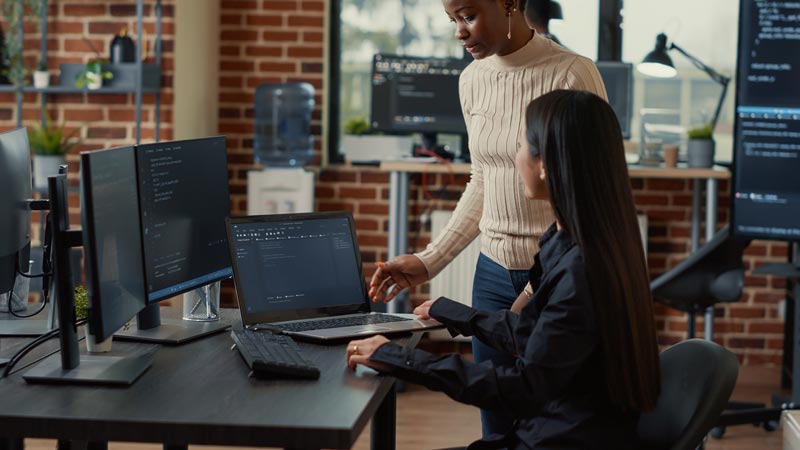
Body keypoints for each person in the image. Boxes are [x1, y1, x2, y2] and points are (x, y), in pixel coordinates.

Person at [349, 90, 661, 450]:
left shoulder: (580, 272)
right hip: (570, 430)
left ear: (546, 163)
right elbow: (532, 335)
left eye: (520, 146)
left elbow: (524, 386)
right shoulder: (583, 240)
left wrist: (397, 356)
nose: (515, 159)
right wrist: (452, 313)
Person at [369, 0, 607, 437]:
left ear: (510, 4)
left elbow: (591, 185)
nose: (460, 31)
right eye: (452, 20)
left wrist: (540, 285)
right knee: (496, 419)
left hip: (556, 272)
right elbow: (483, 180)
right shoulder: (473, 79)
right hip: (493, 273)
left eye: (469, 15)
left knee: (553, 416)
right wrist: (429, 260)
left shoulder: (572, 73)